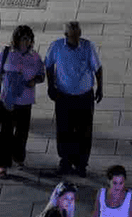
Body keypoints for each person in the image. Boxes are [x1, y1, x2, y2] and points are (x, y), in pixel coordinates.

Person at [44, 21, 104, 176]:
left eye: (78, 35)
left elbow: (97, 68)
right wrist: (50, 86)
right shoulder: (57, 47)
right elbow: (49, 65)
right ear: (66, 35)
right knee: (64, 130)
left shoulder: (87, 47)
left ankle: (81, 164)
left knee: (84, 132)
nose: (77, 38)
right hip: (64, 96)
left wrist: (100, 88)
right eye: (73, 36)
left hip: (84, 96)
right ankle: (65, 161)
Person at [0, 24, 45, 176]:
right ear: (16, 39)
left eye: (28, 39)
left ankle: (18, 156)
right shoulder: (6, 53)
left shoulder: (34, 57)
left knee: (22, 132)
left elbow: (41, 75)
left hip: (25, 100)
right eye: (23, 39)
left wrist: (34, 80)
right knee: (6, 133)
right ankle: (3, 164)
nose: (26, 42)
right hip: (8, 100)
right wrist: (10, 80)